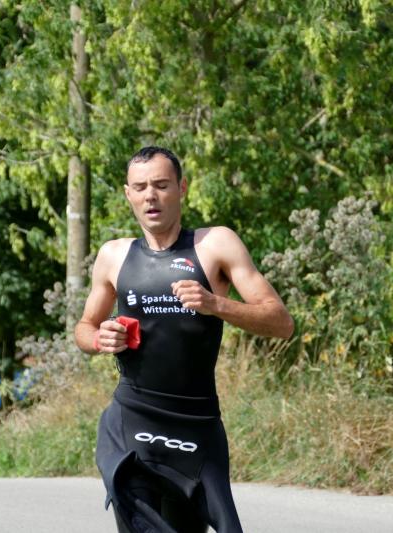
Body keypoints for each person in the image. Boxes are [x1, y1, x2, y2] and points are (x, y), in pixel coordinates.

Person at [75, 146, 294, 532]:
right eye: (140, 187)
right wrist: (98, 339)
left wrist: (216, 304)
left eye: (161, 185)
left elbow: (281, 323)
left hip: (196, 425)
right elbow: (84, 327)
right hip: (133, 418)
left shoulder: (215, 245)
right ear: (128, 194)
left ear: (182, 188)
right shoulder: (113, 255)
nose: (151, 196)